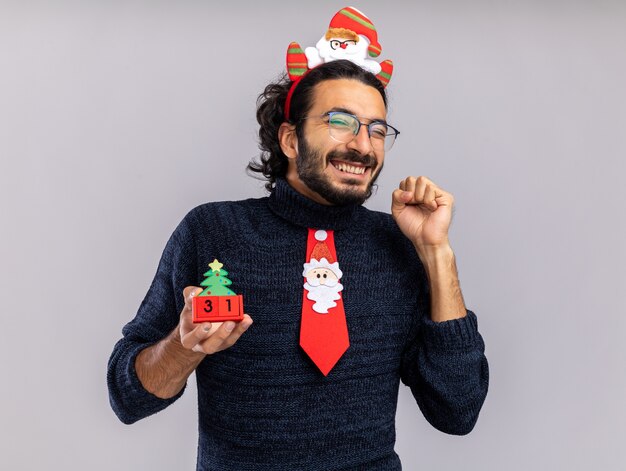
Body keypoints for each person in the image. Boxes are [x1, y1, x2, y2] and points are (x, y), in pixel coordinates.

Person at [108, 11, 488, 470]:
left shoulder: (399, 245)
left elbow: (458, 409)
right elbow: (128, 398)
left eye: (376, 129)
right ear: (290, 139)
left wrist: (436, 252)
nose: (364, 146)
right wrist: (183, 347)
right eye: (341, 121)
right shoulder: (211, 232)